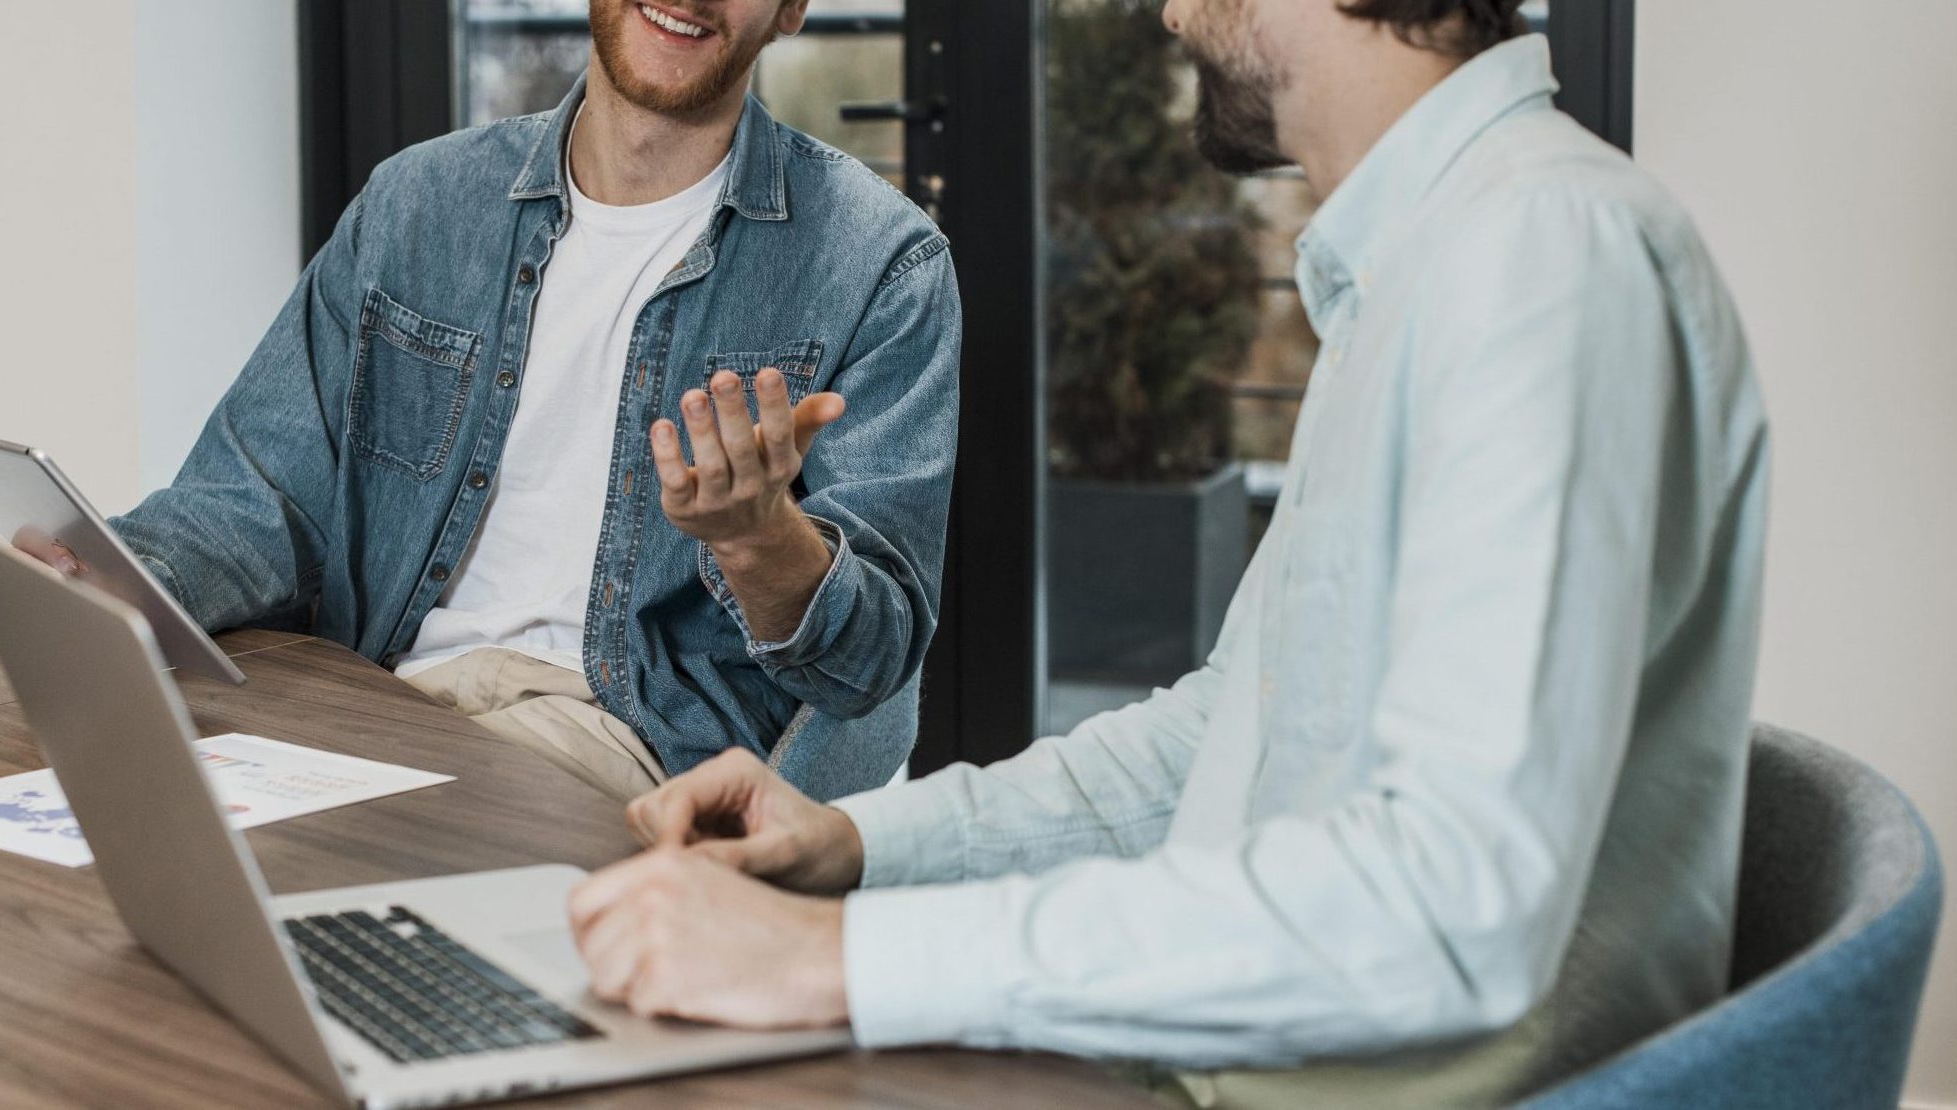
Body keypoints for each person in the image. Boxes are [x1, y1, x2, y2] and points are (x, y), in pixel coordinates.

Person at [562, 0, 1770, 1103]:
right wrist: (859, 845)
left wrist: (838, 963)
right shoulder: (1425, 264)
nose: (1167, 10)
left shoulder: (1538, 256)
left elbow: (1454, 907)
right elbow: (1222, 741)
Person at [101, 0, 961, 804]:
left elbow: (870, 665)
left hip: (622, 738)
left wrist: (759, 540)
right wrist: (108, 577)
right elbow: (256, 499)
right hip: (372, 696)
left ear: (793, 7)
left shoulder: (881, 265)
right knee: (112, 793)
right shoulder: (415, 205)